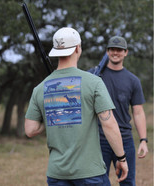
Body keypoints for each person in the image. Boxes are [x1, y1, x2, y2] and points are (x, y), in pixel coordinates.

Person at [24, 27, 128, 186]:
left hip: (57, 174)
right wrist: (121, 158)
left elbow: (30, 130)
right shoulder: (94, 82)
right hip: (90, 173)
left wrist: (56, 114)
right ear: (78, 48)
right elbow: (109, 124)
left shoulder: (40, 88)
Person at [97, 36, 148, 186]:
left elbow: (138, 112)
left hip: (125, 139)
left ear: (125, 52)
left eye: (119, 50)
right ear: (107, 51)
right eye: (112, 49)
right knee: (98, 182)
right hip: (99, 140)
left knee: (128, 182)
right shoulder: (94, 77)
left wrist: (143, 140)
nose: (115, 52)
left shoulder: (133, 81)